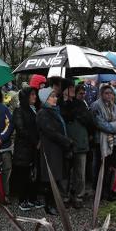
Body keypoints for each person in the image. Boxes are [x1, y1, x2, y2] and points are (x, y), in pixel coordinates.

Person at [37, 87, 74, 216]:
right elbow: (51, 132)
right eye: (52, 96)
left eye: (55, 96)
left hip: (57, 149)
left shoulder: (53, 111)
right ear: (45, 99)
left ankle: (55, 203)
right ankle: (49, 205)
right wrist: (66, 141)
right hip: (50, 150)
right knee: (50, 178)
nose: (55, 98)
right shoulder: (43, 113)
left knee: (56, 177)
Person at [61, 83, 95, 208]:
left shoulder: (80, 104)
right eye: (70, 87)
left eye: (73, 88)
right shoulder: (59, 104)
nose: (72, 90)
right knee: (65, 173)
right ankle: (64, 197)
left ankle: (78, 197)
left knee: (80, 172)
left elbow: (90, 122)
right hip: (66, 143)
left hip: (81, 142)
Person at [90, 84, 116, 201]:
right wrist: (115, 127)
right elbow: (100, 124)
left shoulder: (115, 107)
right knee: (101, 167)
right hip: (101, 142)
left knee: (112, 167)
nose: (109, 95)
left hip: (115, 142)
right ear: (101, 94)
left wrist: (113, 125)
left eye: (111, 93)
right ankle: (100, 191)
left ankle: (110, 190)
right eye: (106, 93)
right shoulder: (95, 106)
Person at [13, 87, 43, 212]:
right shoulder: (19, 111)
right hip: (24, 148)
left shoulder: (34, 109)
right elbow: (21, 129)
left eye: (35, 94)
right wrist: (35, 141)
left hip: (33, 148)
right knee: (24, 175)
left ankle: (32, 198)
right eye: (32, 95)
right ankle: (22, 200)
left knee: (34, 174)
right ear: (25, 97)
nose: (35, 97)